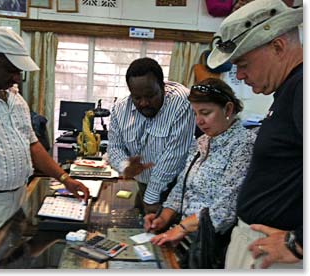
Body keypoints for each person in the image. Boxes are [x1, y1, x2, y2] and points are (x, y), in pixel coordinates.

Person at [0, 26, 89, 268]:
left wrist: (65, 179)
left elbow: (33, 145)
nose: (17, 78)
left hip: (15, 203)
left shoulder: (14, 98)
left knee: (5, 265)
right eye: (11, 70)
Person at [207, 0, 303, 269]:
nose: (239, 75)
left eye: (243, 63)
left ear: (278, 46)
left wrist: (299, 242)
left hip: (276, 251)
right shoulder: (288, 90)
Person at [144, 78, 256, 258]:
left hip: (209, 245)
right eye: (195, 113)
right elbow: (181, 187)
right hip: (185, 236)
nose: (199, 121)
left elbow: (224, 211)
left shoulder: (244, 146)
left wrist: (180, 229)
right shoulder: (202, 142)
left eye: (205, 112)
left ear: (228, 109)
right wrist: (163, 218)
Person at [107, 57, 195, 214]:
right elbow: (114, 147)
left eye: (150, 96)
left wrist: (151, 198)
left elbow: (174, 155)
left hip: (174, 186)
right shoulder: (119, 109)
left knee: (168, 233)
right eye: (137, 97)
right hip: (143, 183)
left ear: (162, 86)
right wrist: (125, 166)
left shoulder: (181, 102)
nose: (143, 103)